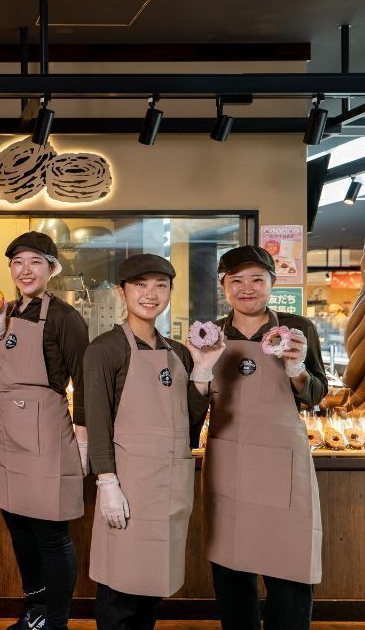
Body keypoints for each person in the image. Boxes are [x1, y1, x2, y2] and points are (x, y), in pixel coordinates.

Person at [201, 246, 327, 630]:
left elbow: (316, 394)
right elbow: (194, 400)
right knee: (231, 566)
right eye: (236, 280)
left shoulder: (298, 328)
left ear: (272, 283)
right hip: (229, 464)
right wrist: (200, 371)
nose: (247, 288)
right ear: (223, 285)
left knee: (289, 565)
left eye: (257, 279)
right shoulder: (210, 335)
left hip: (282, 464)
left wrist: (297, 370)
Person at [84, 254, 212, 630]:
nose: (150, 294)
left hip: (168, 489)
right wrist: (107, 482)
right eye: (140, 285)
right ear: (122, 292)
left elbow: (189, 422)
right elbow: (97, 422)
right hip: (128, 487)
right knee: (120, 592)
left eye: (160, 285)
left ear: (170, 291)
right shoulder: (104, 350)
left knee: (151, 592)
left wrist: (203, 370)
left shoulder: (180, 352)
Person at [0, 232, 90, 630]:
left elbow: (85, 382)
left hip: (45, 433)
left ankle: (55, 621)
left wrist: (83, 443)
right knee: (18, 525)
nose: (25, 270)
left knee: (50, 531)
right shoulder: (4, 312)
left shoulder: (65, 317)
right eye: (18, 262)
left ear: (51, 269)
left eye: (35, 262)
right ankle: (35, 610)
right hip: (6, 430)